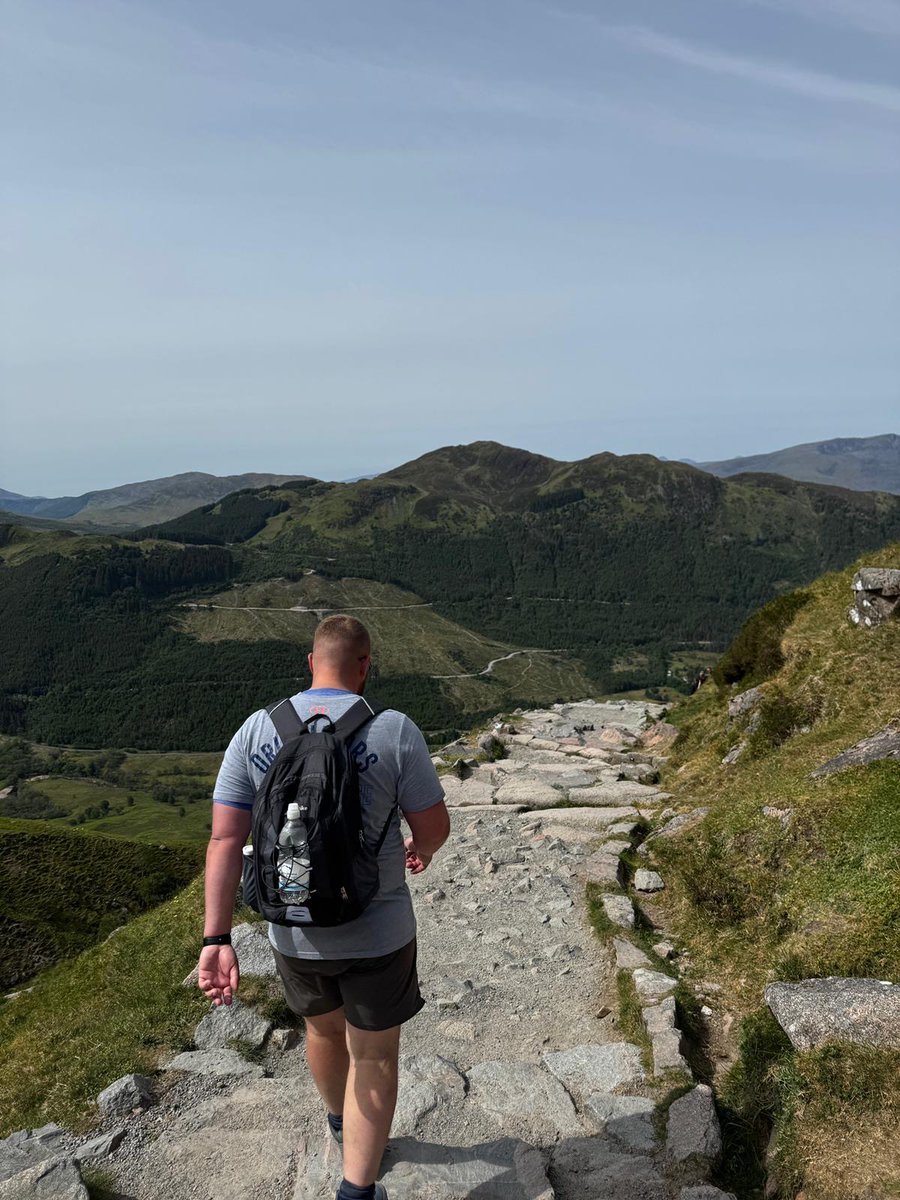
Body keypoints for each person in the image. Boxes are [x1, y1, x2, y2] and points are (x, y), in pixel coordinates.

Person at [196, 614, 450, 1200]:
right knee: (376, 1054)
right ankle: (357, 1188)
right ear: (364, 667)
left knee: (322, 1029)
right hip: (378, 930)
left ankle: (340, 1122)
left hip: (292, 930)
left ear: (311, 663)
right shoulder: (394, 730)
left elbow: (225, 840)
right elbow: (432, 825)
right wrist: (422, 851)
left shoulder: (257, 730)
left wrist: (217, 939)